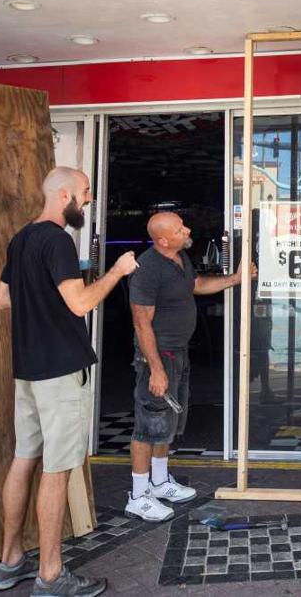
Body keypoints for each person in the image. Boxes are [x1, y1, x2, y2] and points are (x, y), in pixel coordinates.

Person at [0, 167, 139, 597]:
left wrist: (39, 301)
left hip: (28, 370)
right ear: (63, 195)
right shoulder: (56, 239)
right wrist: (116, 272)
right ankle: (51, 575)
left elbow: (2, 299)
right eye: (85, 192)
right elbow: (79, 304)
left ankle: (10, 561)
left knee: (24, 459)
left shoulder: (21, 239)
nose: (89, 199)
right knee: (56, 472)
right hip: (59, 371)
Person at [125, 211, 253, 521]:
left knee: (167, 420)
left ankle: (159, 482)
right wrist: (154, 368)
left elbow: (196, 284)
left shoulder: (179, 257)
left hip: (177, 352)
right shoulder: (148, 269)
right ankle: (138, 495)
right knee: (148, 424)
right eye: (181, 229)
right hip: (158, 356)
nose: (188, 229)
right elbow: (141, 323)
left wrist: (235, 280)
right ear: (163, 240)